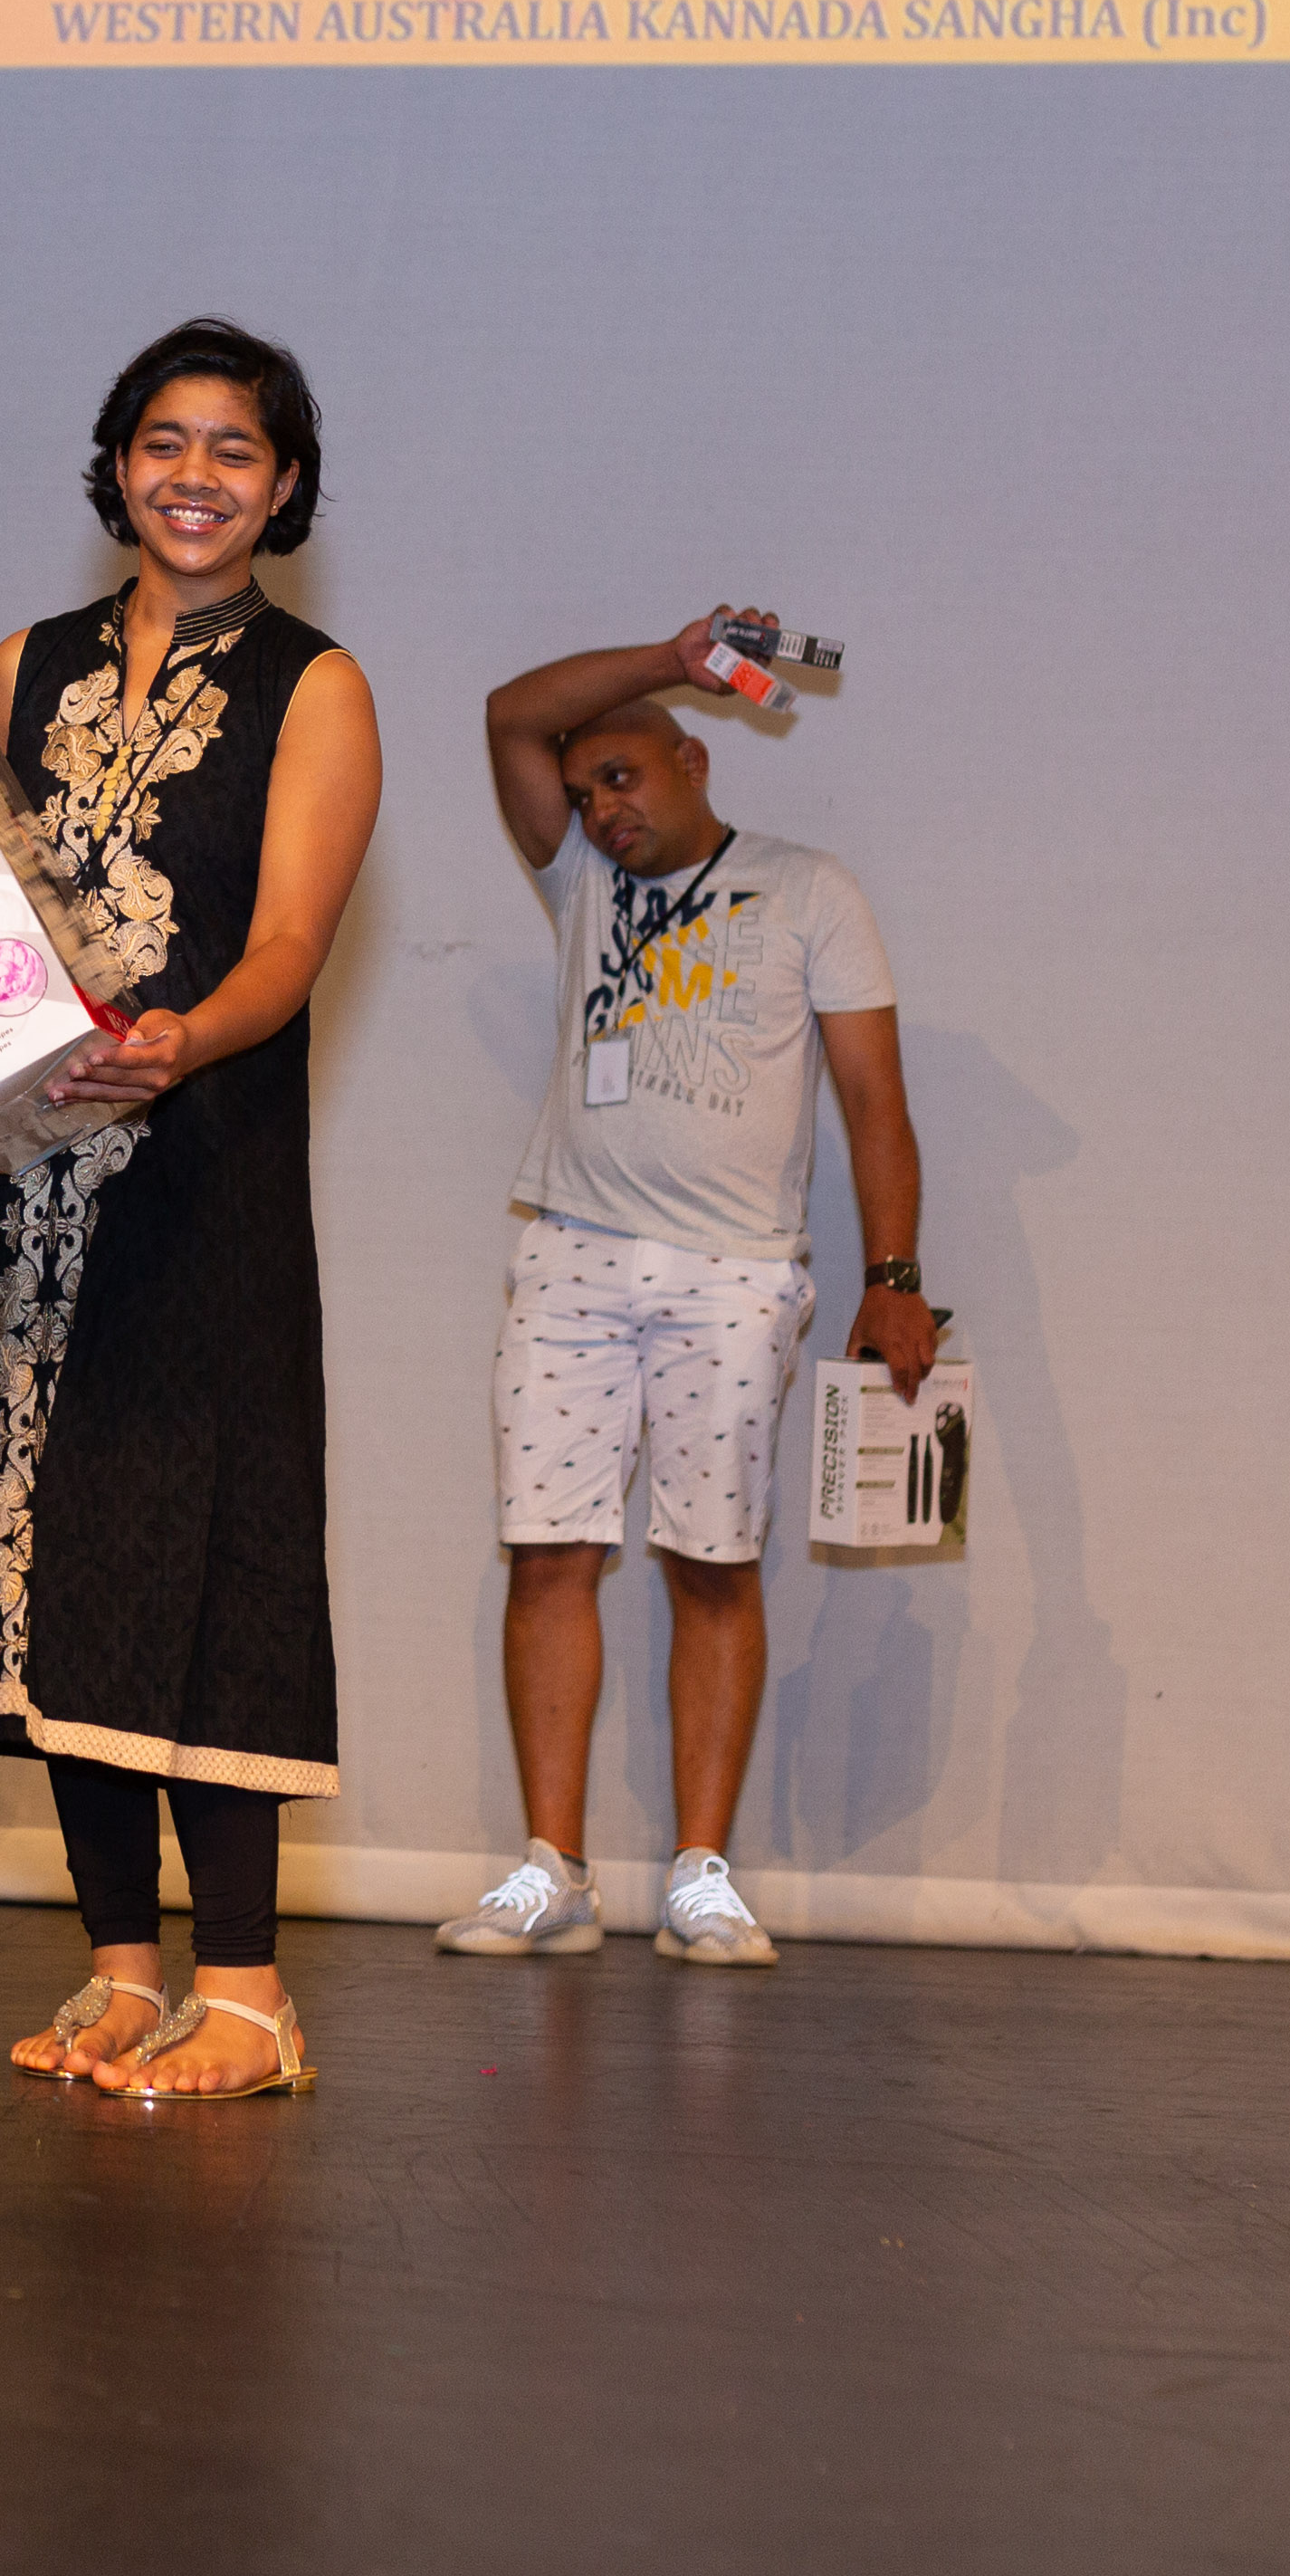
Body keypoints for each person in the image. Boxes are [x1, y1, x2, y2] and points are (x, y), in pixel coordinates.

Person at [0, 318, 382, 2102]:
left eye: (235, 449)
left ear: (283, 487)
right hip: (17, 1175)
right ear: (118, 466)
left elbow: (287, 944)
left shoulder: (317, 685)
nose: (194, 476)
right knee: (52, 1559)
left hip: (198, 1172)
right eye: (164, 441)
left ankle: (251, 1997)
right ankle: (125, 1973)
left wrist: (184, 1040)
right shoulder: (29, 660)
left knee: (202, 1547)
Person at [433, 612, 932, 1968]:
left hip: (737, 1271)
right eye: (584, 789)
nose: (603, 809)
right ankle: (553, 1868)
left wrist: (894, 1276)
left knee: (714, 1561)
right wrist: (672, 654)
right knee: (550, 1551)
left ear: (694, 762)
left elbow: (875, 1102)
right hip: (573, 1254)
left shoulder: (809, 889)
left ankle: (701, 1874)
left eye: (624, 777)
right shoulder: (580, 886)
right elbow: (507, 710)